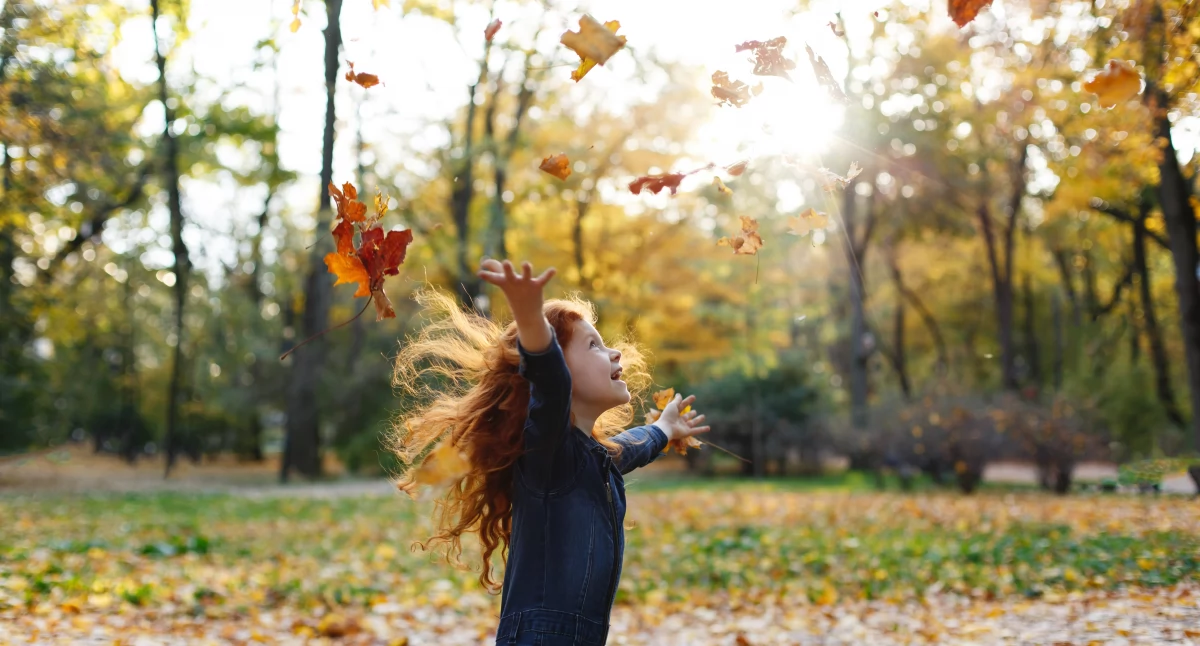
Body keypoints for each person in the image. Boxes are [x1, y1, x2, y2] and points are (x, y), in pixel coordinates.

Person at [389, 258, 711, 646]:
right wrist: (530, 316)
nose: (615, 353)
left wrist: (665, 428)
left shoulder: (591, 457)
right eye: (593, 345)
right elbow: (551, 379)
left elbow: (633, 447)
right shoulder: (547, 451)